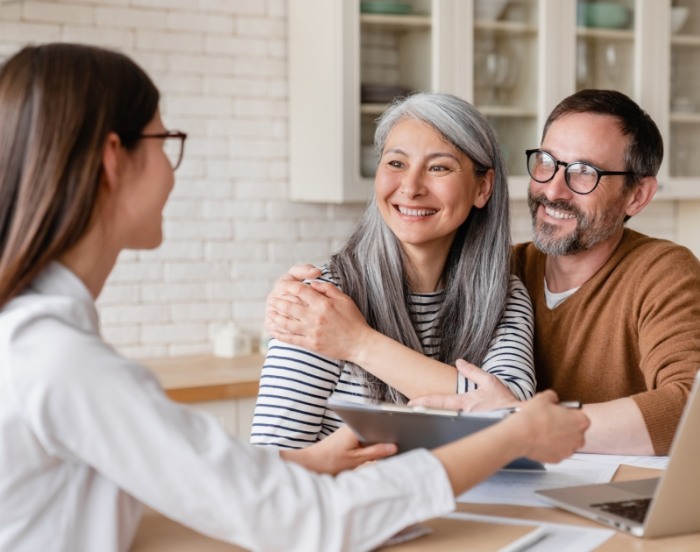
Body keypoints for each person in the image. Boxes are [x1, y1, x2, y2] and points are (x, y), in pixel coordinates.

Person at [0, 43, 589, 552]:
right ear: (112, 161)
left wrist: (296, 464)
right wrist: (512, 434)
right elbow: (302, 518)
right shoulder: (60, 361)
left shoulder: (45, 346)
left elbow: (203, 483)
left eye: (438, 167)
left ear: (483, 185)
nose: (173, 169)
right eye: (164, 140)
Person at [267, 89, 700, 457]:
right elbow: (269, 464)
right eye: (547, 162)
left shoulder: (505, 287)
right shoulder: (505, 272)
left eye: (584, 173)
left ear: (637, 196)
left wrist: (358, 343)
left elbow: (691, 410)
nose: (552, 189)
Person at [251, 92, 536, 450]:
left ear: (483, 187)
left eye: (439, 167)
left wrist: (358, 343)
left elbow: (512, 414)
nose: (411, 188)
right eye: (396, 163)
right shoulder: (322, 303)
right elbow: (272, 464)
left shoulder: (503, 294)